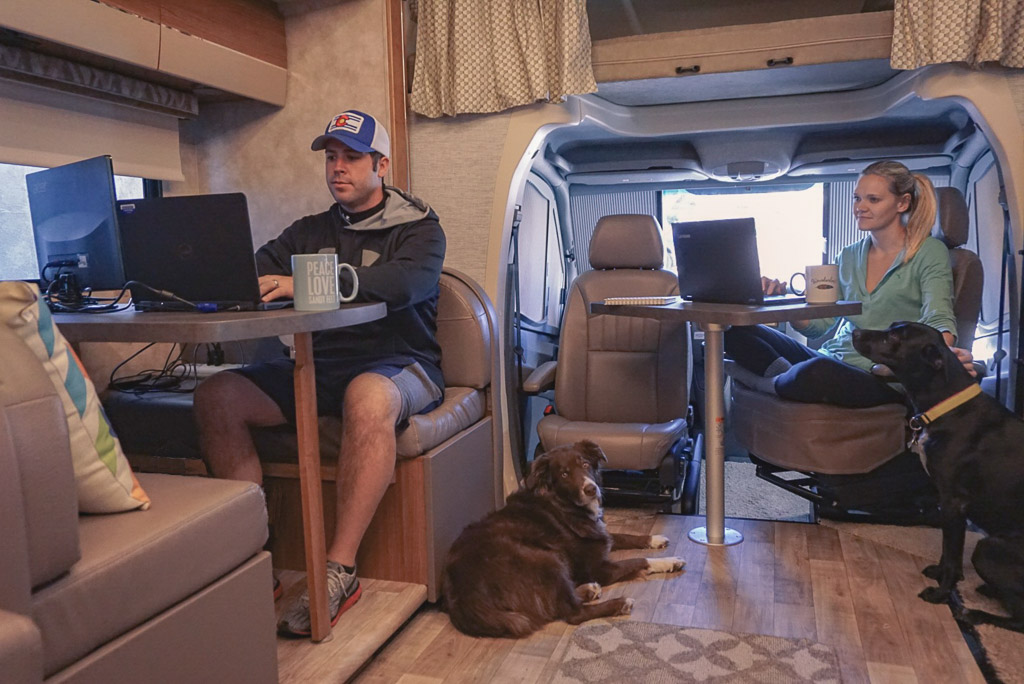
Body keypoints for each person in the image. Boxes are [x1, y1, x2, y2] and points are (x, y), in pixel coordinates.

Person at [193, 110, 446, 636]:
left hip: (404, 365)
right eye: (331, 158)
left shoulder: (420, 228)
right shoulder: (309, 230)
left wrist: (298, 283)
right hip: (319, 368)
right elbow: (255, 269)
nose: (338, 168)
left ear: (381, 164)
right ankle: (254, 559)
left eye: (351, 157)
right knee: (217, 395)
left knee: (367, 397)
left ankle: (339, 570)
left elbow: (400, 285)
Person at [724, 159, 973, 408]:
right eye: (857, 198)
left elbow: (938, 318)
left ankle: (772, 382)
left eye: (873, 200)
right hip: (835, 358)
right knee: (732, 333)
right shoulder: (848, 255)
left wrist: (941, 355)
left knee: (816, 371)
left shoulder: (929, 251)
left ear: (903, 203)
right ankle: (789, 380)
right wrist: (786, 303)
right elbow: (821, 325)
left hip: (881, 376)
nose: (860, 207)